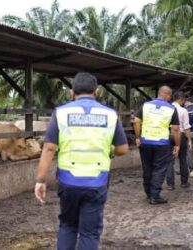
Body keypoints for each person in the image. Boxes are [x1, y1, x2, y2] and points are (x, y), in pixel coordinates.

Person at [34, 72, 128, 250]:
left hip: (68, 181)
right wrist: (110, 150)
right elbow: (123, 149)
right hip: (97, 182)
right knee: (90, 232)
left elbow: (49, 148)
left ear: (72, 92)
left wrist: (40, 179)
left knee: (68, 225)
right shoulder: (110, 114)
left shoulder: (61, 113)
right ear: (97, 92)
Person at [134, 86, 180, 205]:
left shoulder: (146, 105)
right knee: (159, 169)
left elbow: (136, 121)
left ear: (159, 93)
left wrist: (138, 137)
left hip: (146, 142)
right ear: (168, 95)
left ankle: (148, 192)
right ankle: (154, 195)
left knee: (147, 167)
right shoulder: (171, 109)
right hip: (162, 143)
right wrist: (177, 145)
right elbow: (175, 129)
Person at [166, 91, 192, 190]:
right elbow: (186, 128)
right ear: (181, 100)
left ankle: (170, 184)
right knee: (182, 159)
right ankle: (184, 182)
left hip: (168, 135)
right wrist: (189, 140)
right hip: (180, 135)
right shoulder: (183, 110)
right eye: (183, 101)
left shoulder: (166, 109)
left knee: (169, 160)